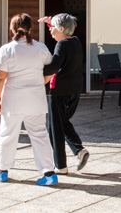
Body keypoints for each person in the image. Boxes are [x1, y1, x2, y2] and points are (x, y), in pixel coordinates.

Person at [0, 13, 58, 186]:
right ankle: (48, 173)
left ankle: (3, 170)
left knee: (8, 135)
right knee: (39, 135)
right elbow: (51, 70)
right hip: (36, 99)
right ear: (30, 29)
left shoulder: (7, 49)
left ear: (11, 29)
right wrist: (40, 82)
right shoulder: (41, 48)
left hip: (13, 100)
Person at [40, 14, 89, 175]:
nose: (50, 31)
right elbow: (59, 33)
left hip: (60, 90)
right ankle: (79, 150)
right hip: (75, 89)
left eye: (52, 28)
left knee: (54, 127)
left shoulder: (61, 44)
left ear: (61, 29)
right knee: (62, 122)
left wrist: (34, 69)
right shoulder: (75, 41)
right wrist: (51, 23)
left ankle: (60, 166)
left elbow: (54, 66)